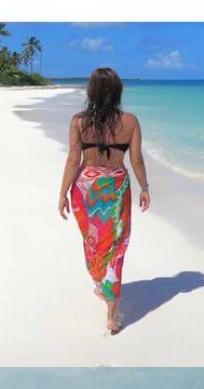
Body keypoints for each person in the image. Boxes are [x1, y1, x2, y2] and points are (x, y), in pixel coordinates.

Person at [59, 67, 150, 335]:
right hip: (116, 187)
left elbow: (73, 159)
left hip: (85, 188)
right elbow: (135, 160)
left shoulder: (78, 121)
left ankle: (101, 283)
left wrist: (62, 192)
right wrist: (145, 187)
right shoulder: (130, 121)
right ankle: (112, 313)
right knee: (116, 246)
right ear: (118, 92)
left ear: (91, 92)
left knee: (93, 241)